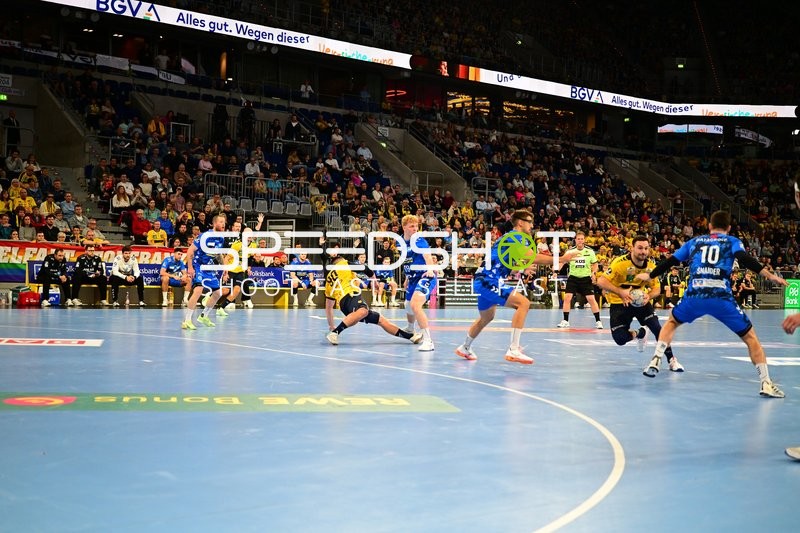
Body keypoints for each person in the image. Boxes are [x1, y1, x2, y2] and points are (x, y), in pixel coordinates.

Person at [635, 211, 787, 397]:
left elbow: (671, 261)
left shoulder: (695, 242)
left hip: (695, 294)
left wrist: (650, 275)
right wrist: (770, 276)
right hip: (721, 297)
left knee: (672, 322)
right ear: (729, 228)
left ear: (709, 226)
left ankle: (656, 359)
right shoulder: (732, 241)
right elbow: (745, 259)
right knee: (750, 338)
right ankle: (765, 383)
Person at [455, 209, 577, 364]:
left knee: (487, 317)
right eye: (530, 222)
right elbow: (530, 256)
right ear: (520, 222)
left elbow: (503, 262)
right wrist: (561, 258)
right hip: (488, 280)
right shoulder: (516, 236)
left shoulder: (509, 238)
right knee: (523, 303)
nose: (532, 225)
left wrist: (521, 269)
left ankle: (465, 347)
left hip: (484, 278)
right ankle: (513, 349)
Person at [595, 235, 685, 372]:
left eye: (646, 248)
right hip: (620, 303)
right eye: (640, 248)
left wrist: (648, 296)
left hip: (641, 303)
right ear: (632, 248)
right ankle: (640, 333)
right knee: (620, 339)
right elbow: (601, 281)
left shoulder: (650, 266)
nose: (643, 251)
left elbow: (657, 288)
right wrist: (620, 292)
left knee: (658, 329)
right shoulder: (619, 263)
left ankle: (672, 360)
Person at [323, 239, 422, 346]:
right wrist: (374, 280)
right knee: (363, 311)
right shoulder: (343, 264)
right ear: (340, 260)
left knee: (381, 320)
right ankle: (335, 332)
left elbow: (328, 307)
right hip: (351, 295)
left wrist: (331, 325)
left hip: (344, 306)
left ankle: (411, 336)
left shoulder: (329, 280)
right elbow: (366, 269)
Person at [182, 214, 227, 329]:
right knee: (198, 290)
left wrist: (224, 268)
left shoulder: (221, 238)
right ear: (215, 223)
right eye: (221, 222)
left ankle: (203, 316)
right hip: (198, 266)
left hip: (208, 267)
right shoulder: (205, 236)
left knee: (217, 293)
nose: (223, 224)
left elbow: (218, 254)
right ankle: (187, 320)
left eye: (224, 222)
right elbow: (190, 251)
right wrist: (190, 268)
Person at [401, 214, 438, 351]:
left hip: (425, 276)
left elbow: (427, 256)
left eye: (416, 226)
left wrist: (429, 269)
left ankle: (428, 340)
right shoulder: (401, 242)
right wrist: (407, 278)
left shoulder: (419, 241)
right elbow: (407, 261)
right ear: (404, 227)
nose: (415, 229)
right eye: (412, 226)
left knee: (415, 305)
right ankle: (410, 329)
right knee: (407, 304)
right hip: (413, 278)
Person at [557, 231, 603, 329]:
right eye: (578, 239)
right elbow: (562, 262)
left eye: (582, 239)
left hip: (585, 279)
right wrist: (555, 271)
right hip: (573, 278)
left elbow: (595, 264)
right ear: (575, 240)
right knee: (567, 298)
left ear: (584, 240)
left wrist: (593, 273)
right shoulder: (570, 251)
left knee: (591, 299)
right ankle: (565, 321)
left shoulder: (590, 251)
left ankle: (598, 321)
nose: (580, 241)